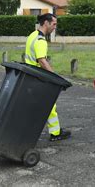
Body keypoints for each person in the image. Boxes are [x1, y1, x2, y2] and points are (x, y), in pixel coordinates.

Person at [25, 13, 71, 141]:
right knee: (48, 104)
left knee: (48, 105)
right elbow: (42, 61)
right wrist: (55, 77)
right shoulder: (40, 40)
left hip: (30, 75)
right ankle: (54, 134)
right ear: (46, 23)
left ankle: (55, 132)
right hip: (38, 77)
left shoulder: (32, 35)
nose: (55, 27)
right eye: (54, 24)